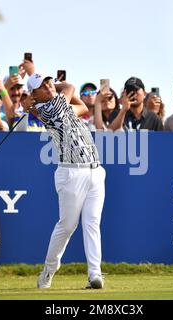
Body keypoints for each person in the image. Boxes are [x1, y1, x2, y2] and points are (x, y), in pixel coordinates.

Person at [27, 73, 106, 289]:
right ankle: (49, 270)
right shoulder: (49, 109)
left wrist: (44, 87)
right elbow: (70, 86)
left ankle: (95, 275)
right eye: (42, 85)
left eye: (49, 81)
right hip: (71, 174)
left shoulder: (60, 106)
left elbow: (84, 109)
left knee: (92, 223)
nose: (49, 85)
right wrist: (41, 95)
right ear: (35, 94)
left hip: (95, 171)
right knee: (67, 226)